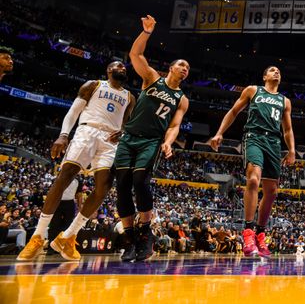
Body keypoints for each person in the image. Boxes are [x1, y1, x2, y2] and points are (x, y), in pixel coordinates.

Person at [17, 61, 135, 261]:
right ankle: (38, 236)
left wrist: (123, 132)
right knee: (65, 177)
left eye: (124, 67)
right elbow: (73, 112)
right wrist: (64, 135)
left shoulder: (129, 96)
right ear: (108, 70)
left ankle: (69, 236)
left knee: (102, 188)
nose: (122, 69)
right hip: (87, 131)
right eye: (118, 66)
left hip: (110, 141)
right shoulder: (93, 85)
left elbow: (127, 122)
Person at [114, 15, 190, 262]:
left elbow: (175, 125)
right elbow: (135, 56)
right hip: (129, 137)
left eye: (187, 68)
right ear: (171, 67)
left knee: (139, 181)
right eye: (182, 65)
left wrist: (168, 142)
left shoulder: (182, 99)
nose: (185, 69)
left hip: (151, 141)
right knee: (122, 186)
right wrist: (146, 33)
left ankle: (146, 234)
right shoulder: (152, 79)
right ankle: (129, 237)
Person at [209, 65, 296, 258]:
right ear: (264, 75)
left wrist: (291, 150)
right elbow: (233, 112)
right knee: (253, 180)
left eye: (279, 71)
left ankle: (260, 234)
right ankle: (248, 232)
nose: (276, 72)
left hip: (274, 142)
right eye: (272, 70)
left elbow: (287, 130)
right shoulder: (253, 90)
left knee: (272, 192)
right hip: (254, 137)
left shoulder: (285, 101)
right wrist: (219, 133)